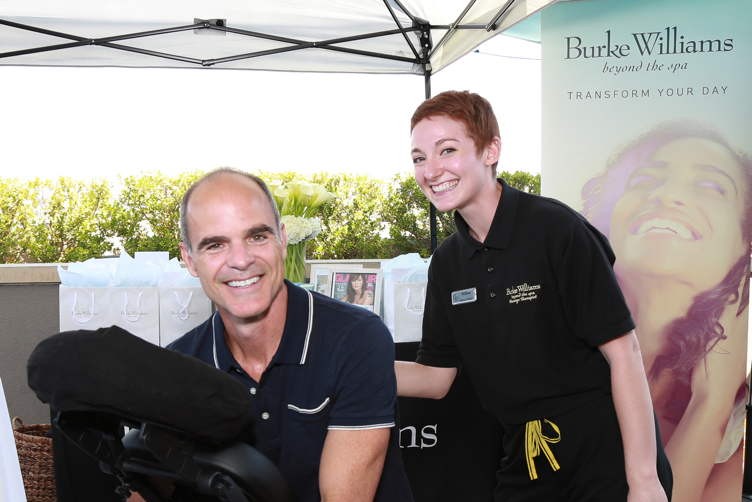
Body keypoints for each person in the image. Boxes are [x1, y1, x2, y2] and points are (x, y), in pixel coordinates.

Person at [396, 90, 672, 502]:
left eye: (447, 150)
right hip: (525, 457)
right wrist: (350, 367)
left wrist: (644, 480)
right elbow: (436, 378)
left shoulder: (555, 230)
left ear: (491, 151)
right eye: (419, 158)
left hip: (606, 456)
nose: (431, 170)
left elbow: (624, 353)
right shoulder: (448, 264)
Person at [168, 168, 413, 502]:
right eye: (215, 245)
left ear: (282, 240)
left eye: (257, 236)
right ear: (189, 259)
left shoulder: (356, 339)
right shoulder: (179, 369)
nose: (241, 260)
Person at [581, 122, 751, 502]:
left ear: (744, 242)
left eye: (712, 186)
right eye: (645, 180)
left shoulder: (733, 416)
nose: (666, 195)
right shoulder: (561, 347)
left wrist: (713, 402)